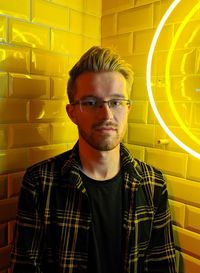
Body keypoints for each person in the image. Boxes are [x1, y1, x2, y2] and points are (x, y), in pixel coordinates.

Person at [11, 46, 176, 273]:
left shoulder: (153, 183)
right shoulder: (40, 182)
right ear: (72, 113)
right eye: (90, 102)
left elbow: (163, 267)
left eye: (116, 102)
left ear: (128, 109)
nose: (107, 115)